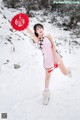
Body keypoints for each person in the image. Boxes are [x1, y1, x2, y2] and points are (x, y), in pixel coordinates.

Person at [26, 23, 72, 105]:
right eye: (37, 29)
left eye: (40, 27)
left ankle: (68, 70)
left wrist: (54, 58)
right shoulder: (37, 40)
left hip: (56, 57)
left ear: (43, 29)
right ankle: (46, 95)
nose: (39, 29)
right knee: (47, 78)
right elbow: (29, 31)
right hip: (47, 62)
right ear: (36, 31)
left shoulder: (48, 35)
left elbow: (54, 46)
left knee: (64, 73)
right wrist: (24, 24)